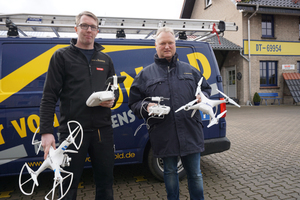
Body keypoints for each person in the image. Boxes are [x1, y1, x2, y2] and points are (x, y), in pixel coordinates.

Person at [39, 11, 116, 200]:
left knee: (105, 183)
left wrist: (112, 99)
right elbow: (49, 95)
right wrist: (46, 131)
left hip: (102, 131)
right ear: (76, 28)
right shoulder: (61, 57)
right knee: (67, 184)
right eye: (84, 25)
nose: (88, 30)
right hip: (72, 133)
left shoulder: (105, 59)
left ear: (97, 31)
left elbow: (114, 89)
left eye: (93, 27)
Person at [128, 27, 211, 200]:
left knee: (195, 174)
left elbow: (206, 89)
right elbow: (134, 103)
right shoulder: (145, 74)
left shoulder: (190, 70)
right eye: (163, 43)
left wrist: (203, 97)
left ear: (175, 44)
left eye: (170, 43)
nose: (167, 46)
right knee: (170, 172)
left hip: (190, 130)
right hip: (163, 133)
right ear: (156, 45)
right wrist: (146, 107)